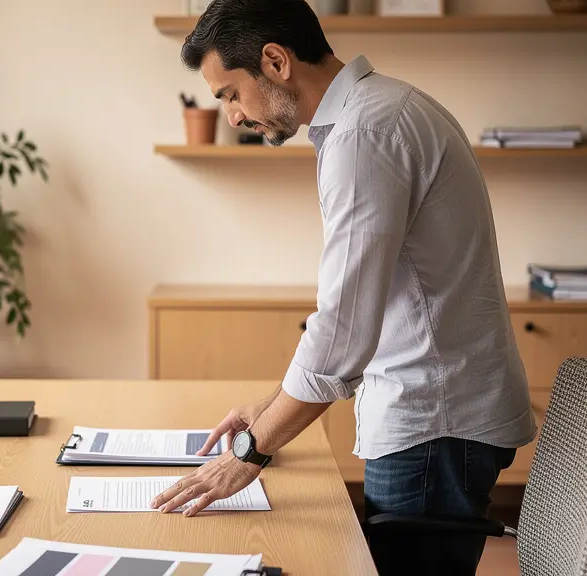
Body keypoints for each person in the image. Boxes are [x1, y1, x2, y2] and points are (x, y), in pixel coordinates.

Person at [148, 1, 537, 574]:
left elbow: (344, 328)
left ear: (276, 61)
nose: (231, 116)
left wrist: (252, 450)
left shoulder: (366, 132)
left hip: (433, 426)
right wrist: (270, 408)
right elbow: (364, 309)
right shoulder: (386, 107)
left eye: (230, 93)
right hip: (439, 416)